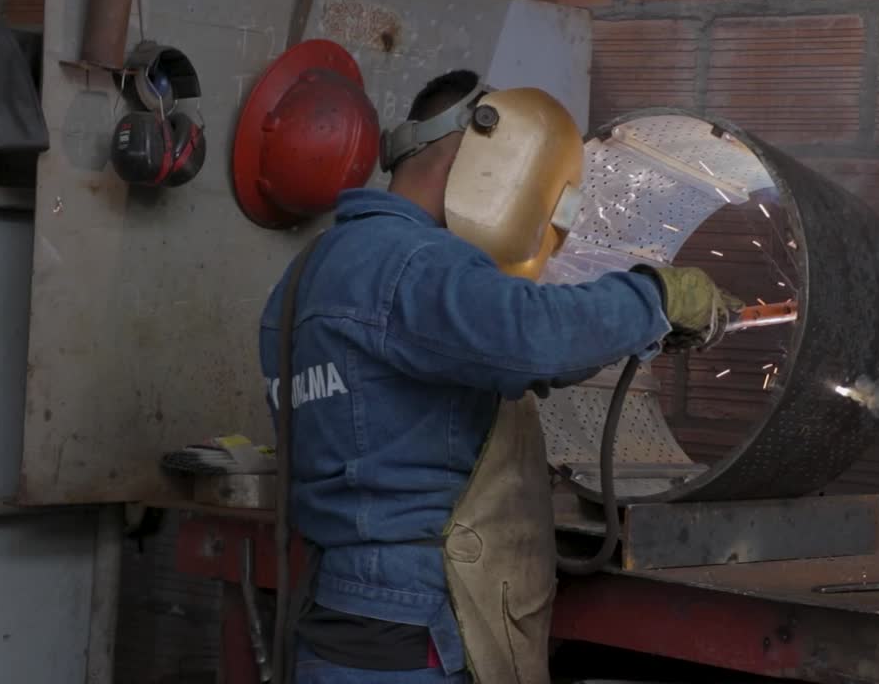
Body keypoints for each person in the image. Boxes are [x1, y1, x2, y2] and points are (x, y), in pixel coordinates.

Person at [258, 69, 738, 683]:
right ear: (481, 154)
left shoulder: (311, 271)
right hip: (416, 626)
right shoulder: (414, 264)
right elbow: (532, 336)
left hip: (346, 618)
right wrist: (654, 298)